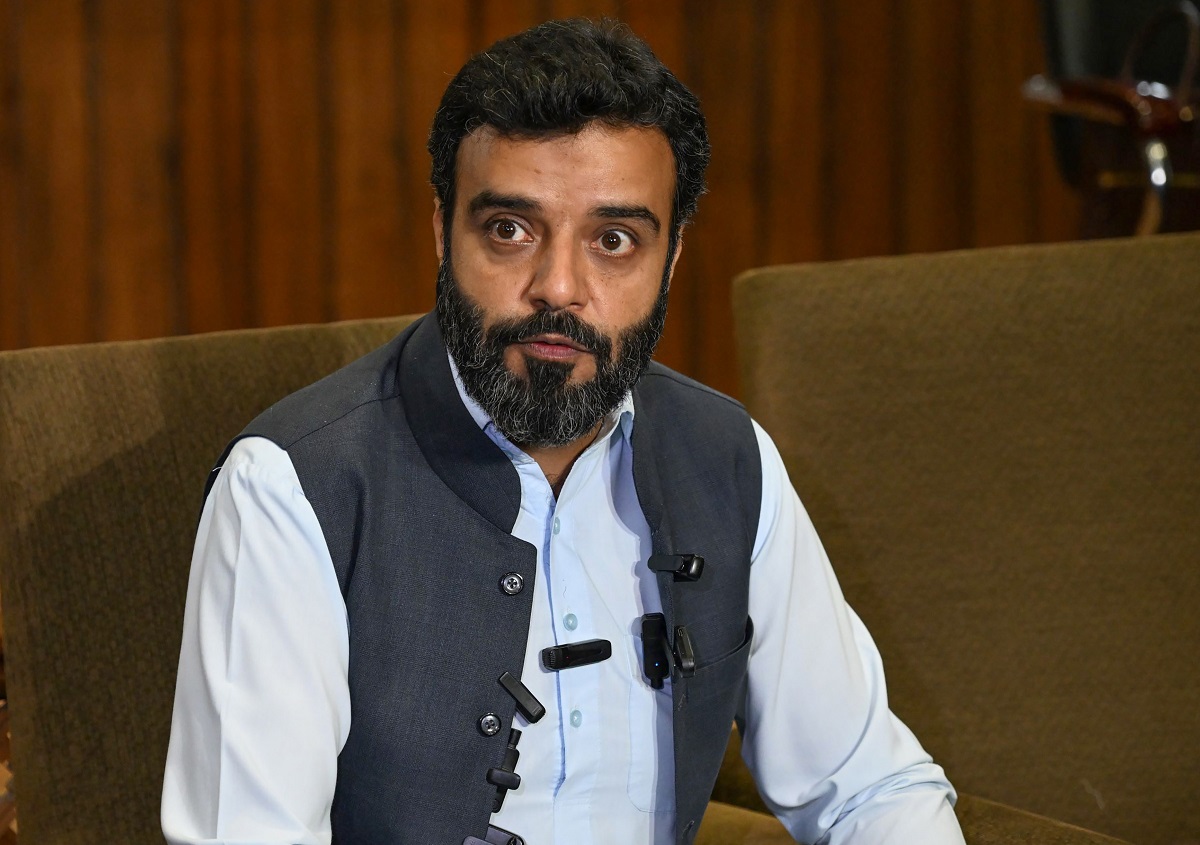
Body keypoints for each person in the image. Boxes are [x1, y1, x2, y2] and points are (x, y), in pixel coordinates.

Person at [162, 18, 966, 845]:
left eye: (614, 240)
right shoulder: (292, 489)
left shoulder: (727, 459)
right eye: (510, 229)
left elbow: (869, 788)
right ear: (442, 231)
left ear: (671, 258)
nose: (558, 286)